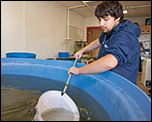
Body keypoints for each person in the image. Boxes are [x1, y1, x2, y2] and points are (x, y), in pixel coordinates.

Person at [68, 1, 141, 85]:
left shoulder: (125, 36)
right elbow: (99, 41)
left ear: (118, 18)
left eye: (106, 19)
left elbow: (109, 63)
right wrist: (82, 50)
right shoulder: (109, 30)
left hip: (121, 86)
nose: (101, 24)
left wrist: (79, 70)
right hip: (108, 80)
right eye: (99, 19)